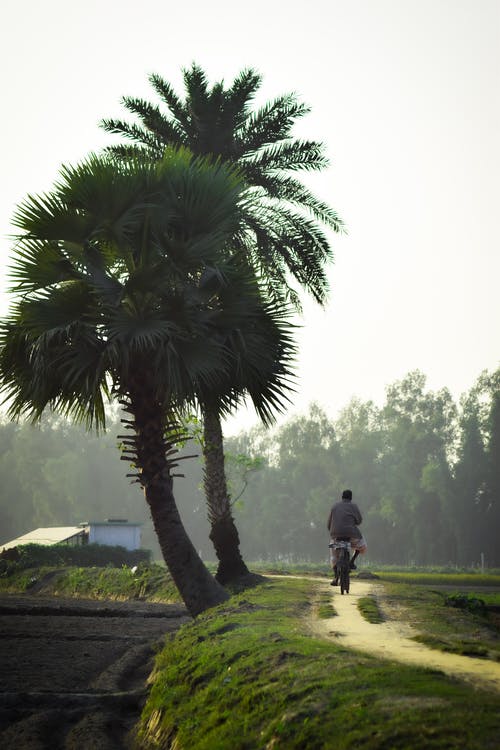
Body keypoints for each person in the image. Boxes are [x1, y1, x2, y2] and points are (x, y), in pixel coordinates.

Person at [327, 489, 367, 586]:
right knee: (362, 545)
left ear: (342, 497)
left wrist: (333, 532)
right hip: (351, 535)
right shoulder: (354, 506)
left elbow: (329, 523)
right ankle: (352, 561)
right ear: (351, 498)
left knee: (334, 555)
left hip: (335, 535)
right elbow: (359, 521)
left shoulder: (335, 506)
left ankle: (336, 577)